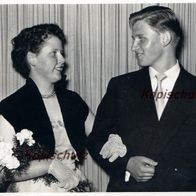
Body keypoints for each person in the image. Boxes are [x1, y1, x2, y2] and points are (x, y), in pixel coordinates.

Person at [87, 5, 196, 191]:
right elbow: (96, 139)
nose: (133, 47)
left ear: (165, 38)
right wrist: (126, 163)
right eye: (133, 39)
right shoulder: (121, 86)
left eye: (141, 39)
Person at [0, 23, 94, 192]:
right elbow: (3, 170)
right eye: (54, 53)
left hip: (73, 186)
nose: (62, 60)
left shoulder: (73, 101)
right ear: (32, 58)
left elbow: (99, 137)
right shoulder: (10, 108)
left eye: (62, 53)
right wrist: (49, 165)